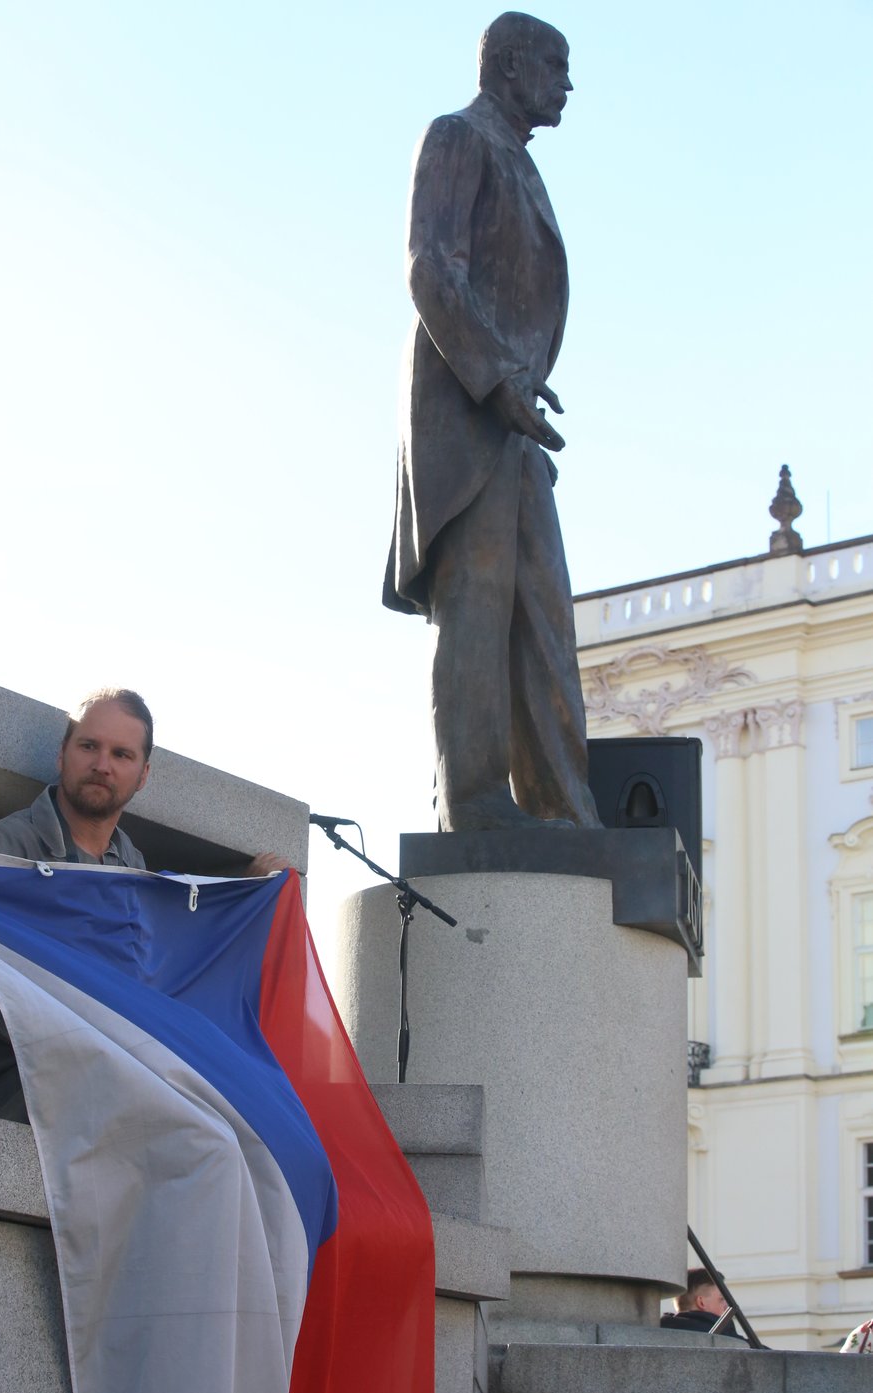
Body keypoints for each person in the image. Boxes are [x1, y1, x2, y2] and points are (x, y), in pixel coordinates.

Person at [383, 12, 600, 833]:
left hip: (510, 425)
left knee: (544, 613)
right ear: (508, 66)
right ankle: (472, 802)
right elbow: (430, 266)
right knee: (477, 605)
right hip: (467, 413)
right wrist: (496, 377)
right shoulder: (457, 137)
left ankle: (563, 812)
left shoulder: (518, 161)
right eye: (556, 65)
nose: (568, 84)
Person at [0, 687, 282, 1119]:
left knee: (234, 1115)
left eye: (121, 755)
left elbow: (161, 976)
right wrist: (94, 1041)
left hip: (114, 1081)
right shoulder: (9, 846)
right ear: (62, 755)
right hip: (21, 1082)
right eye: (89, 746)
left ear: (142, 775)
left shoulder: (131, 866)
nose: (102, 765)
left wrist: (244, 895)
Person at [660, 1267, 739, 1335]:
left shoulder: (659, 1332)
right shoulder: (723, 1334)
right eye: (721, 1299)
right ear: (701, 1302)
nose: (727, 1305)